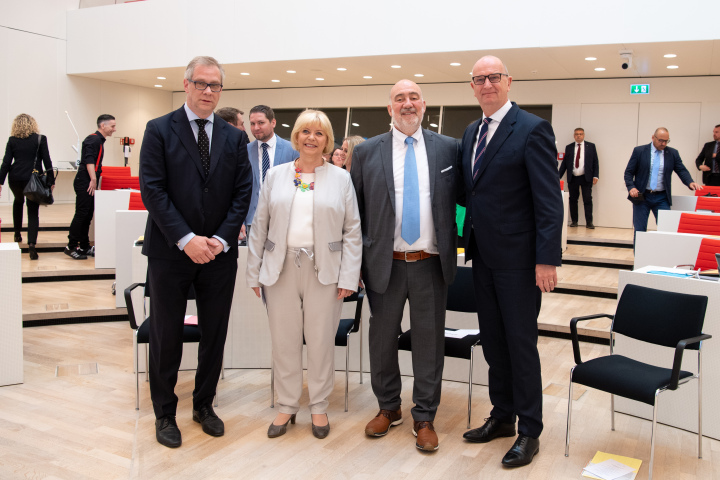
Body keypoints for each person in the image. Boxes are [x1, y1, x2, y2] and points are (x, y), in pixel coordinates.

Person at [139, 56, 252, 449]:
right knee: (166, 333)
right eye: (201, 84)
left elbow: (242, 194)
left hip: (219, 254)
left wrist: (219, 240)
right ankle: (164, 412)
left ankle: (204, 405)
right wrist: (188, 239)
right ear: (186, 85)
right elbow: (152, 190)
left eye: (215, 86)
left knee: (214, 333)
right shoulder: (158, 130)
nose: (208, 91)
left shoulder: (235, 137)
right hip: (171, 251)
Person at [459, 56, 563, 467]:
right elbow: (473, 195)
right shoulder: (471, 131)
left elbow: (548, 201)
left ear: (508, 82)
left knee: (521, 346)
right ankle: (502, 416)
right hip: (482, 256)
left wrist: (546, 260)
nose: (487, 84)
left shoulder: (533, 129)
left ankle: (529, 431)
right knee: (494, 343)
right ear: (472, 86)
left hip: (520, 262)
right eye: (479, 79)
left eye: (494, 77)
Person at [351, 79, 460, 452]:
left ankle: (425, 415)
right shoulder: (367, 152)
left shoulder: (449, 149)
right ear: (389, 108)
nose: (407, 103)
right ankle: (388, 407)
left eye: (413, 97)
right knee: (382, 340)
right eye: (400, 98)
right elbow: (356, 213)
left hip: (431, 263)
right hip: (385, 263)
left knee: (429, 342)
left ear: (424, 105)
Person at [246, 109, 361, 440]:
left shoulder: (341, 178)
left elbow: (352, 231)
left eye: (320, 133)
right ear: (296, 136)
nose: (312, 138)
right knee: (284, 342)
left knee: (322, 342)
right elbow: (260, 227)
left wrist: (348, 277)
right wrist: (254, 273)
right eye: (306, 131)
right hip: (280, 268)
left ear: (327, 141)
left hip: (325, 271)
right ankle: (286, 405)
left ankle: (320, 406)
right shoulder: (276, 176)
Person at [625, 127, 701, 245]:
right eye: (661, 140)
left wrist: (690, 182)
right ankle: (639, 262)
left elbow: (681, 170)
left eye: (666, 141)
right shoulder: (639, 151)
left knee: (667, 230)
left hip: (661, 198)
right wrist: (631, 187)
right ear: (653, 137)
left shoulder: (672, 153)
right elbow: (628, 172)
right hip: (642, 197)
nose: (663, 143)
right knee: (640, 231)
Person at [0, 114, 55, 260]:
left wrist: (0, 182)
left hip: (15, 178)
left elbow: (6, 163)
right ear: (33, 124)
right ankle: (31, 245)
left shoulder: (12, 141)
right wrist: (50, 181)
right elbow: (47, 160)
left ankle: (17, 234)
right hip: (33, 178)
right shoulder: (40, 139)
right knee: (32, 210)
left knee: (18, 202)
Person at [242, 105, 299, 241]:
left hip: (283, 221)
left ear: (273, 122)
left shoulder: (291, 150)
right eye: (252, 123)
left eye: (261, 123)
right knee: (254, 261)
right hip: (253, 221)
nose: (256, 128)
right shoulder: (244, 151)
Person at [65, 114, 116, 260]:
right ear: (103, 126)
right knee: (82, 214)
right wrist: (93, 179)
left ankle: (84, 246)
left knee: (87, 215)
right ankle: (71, 246)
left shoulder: (99, 140)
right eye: (112, 126)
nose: (114, 129)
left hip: (88, 181)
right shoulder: (93, 139)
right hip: (85, 181)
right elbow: (89, 160)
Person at [558, 128, 599, 228]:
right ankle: (574, 221)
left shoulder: (591, 146)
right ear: (574, 136)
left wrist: (595, 175)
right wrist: (557, 176)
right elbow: (564, 163)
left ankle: (589, 222)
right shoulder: (569, 147)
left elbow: (595, 162)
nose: (578, 136)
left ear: (584, 135)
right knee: (573, 200)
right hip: (573, 177)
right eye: (576, 134)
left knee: (587, 200)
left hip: (586, 177)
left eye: (580, 134)